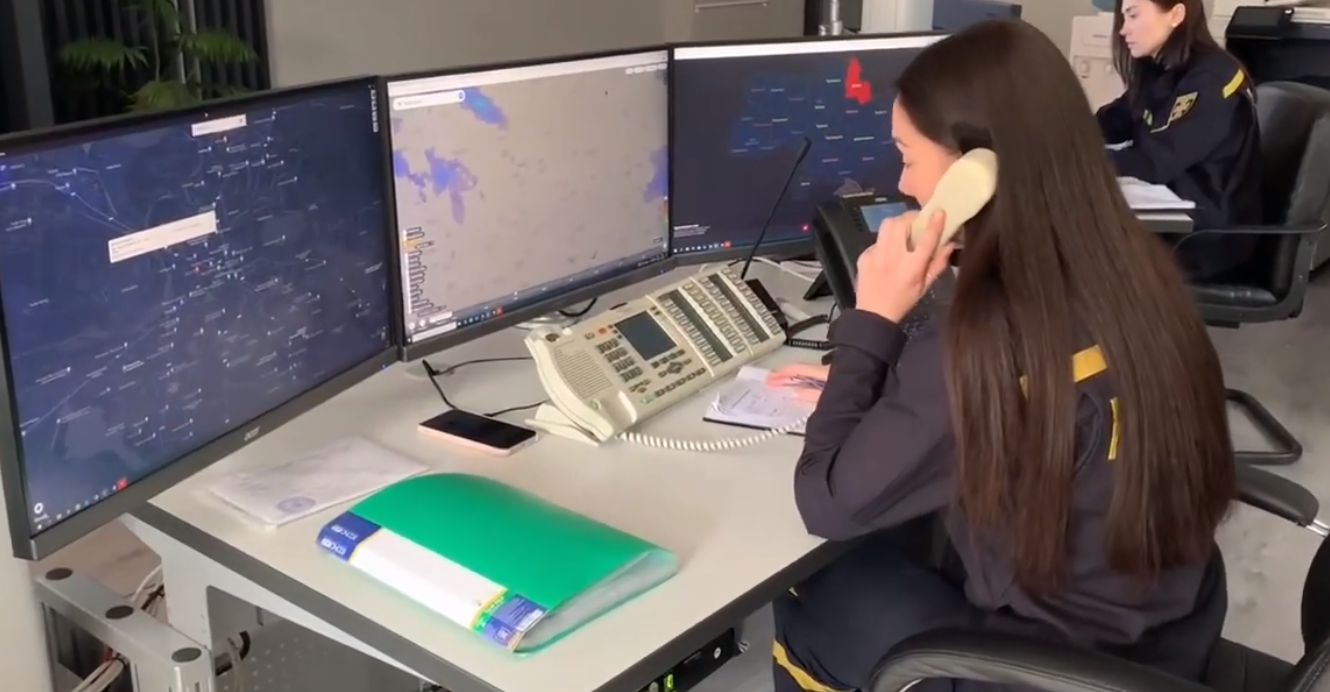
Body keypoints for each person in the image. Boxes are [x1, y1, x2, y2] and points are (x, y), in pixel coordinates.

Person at [766, 19, 1236, 692]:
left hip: (1055, 670)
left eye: (907, 157)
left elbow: (826, 501)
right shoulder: (1135, 270)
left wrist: (872, 321)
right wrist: (883, 381)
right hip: (1167, 633)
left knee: (816, 586)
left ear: (974, 174)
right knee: (905, 533)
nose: (903, 184)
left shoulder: (987, 337)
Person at [1098, 0, 1262, 278]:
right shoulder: (1161, 70)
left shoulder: (1212, 79)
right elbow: (1113, 122)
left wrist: (1076, 160)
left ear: (1176, 14)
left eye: (1133, 16)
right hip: (1175, 219)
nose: (1123, 30)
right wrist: (1058, 137)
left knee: (1077, 251)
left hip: (1204, 238)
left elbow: (1155, 163)